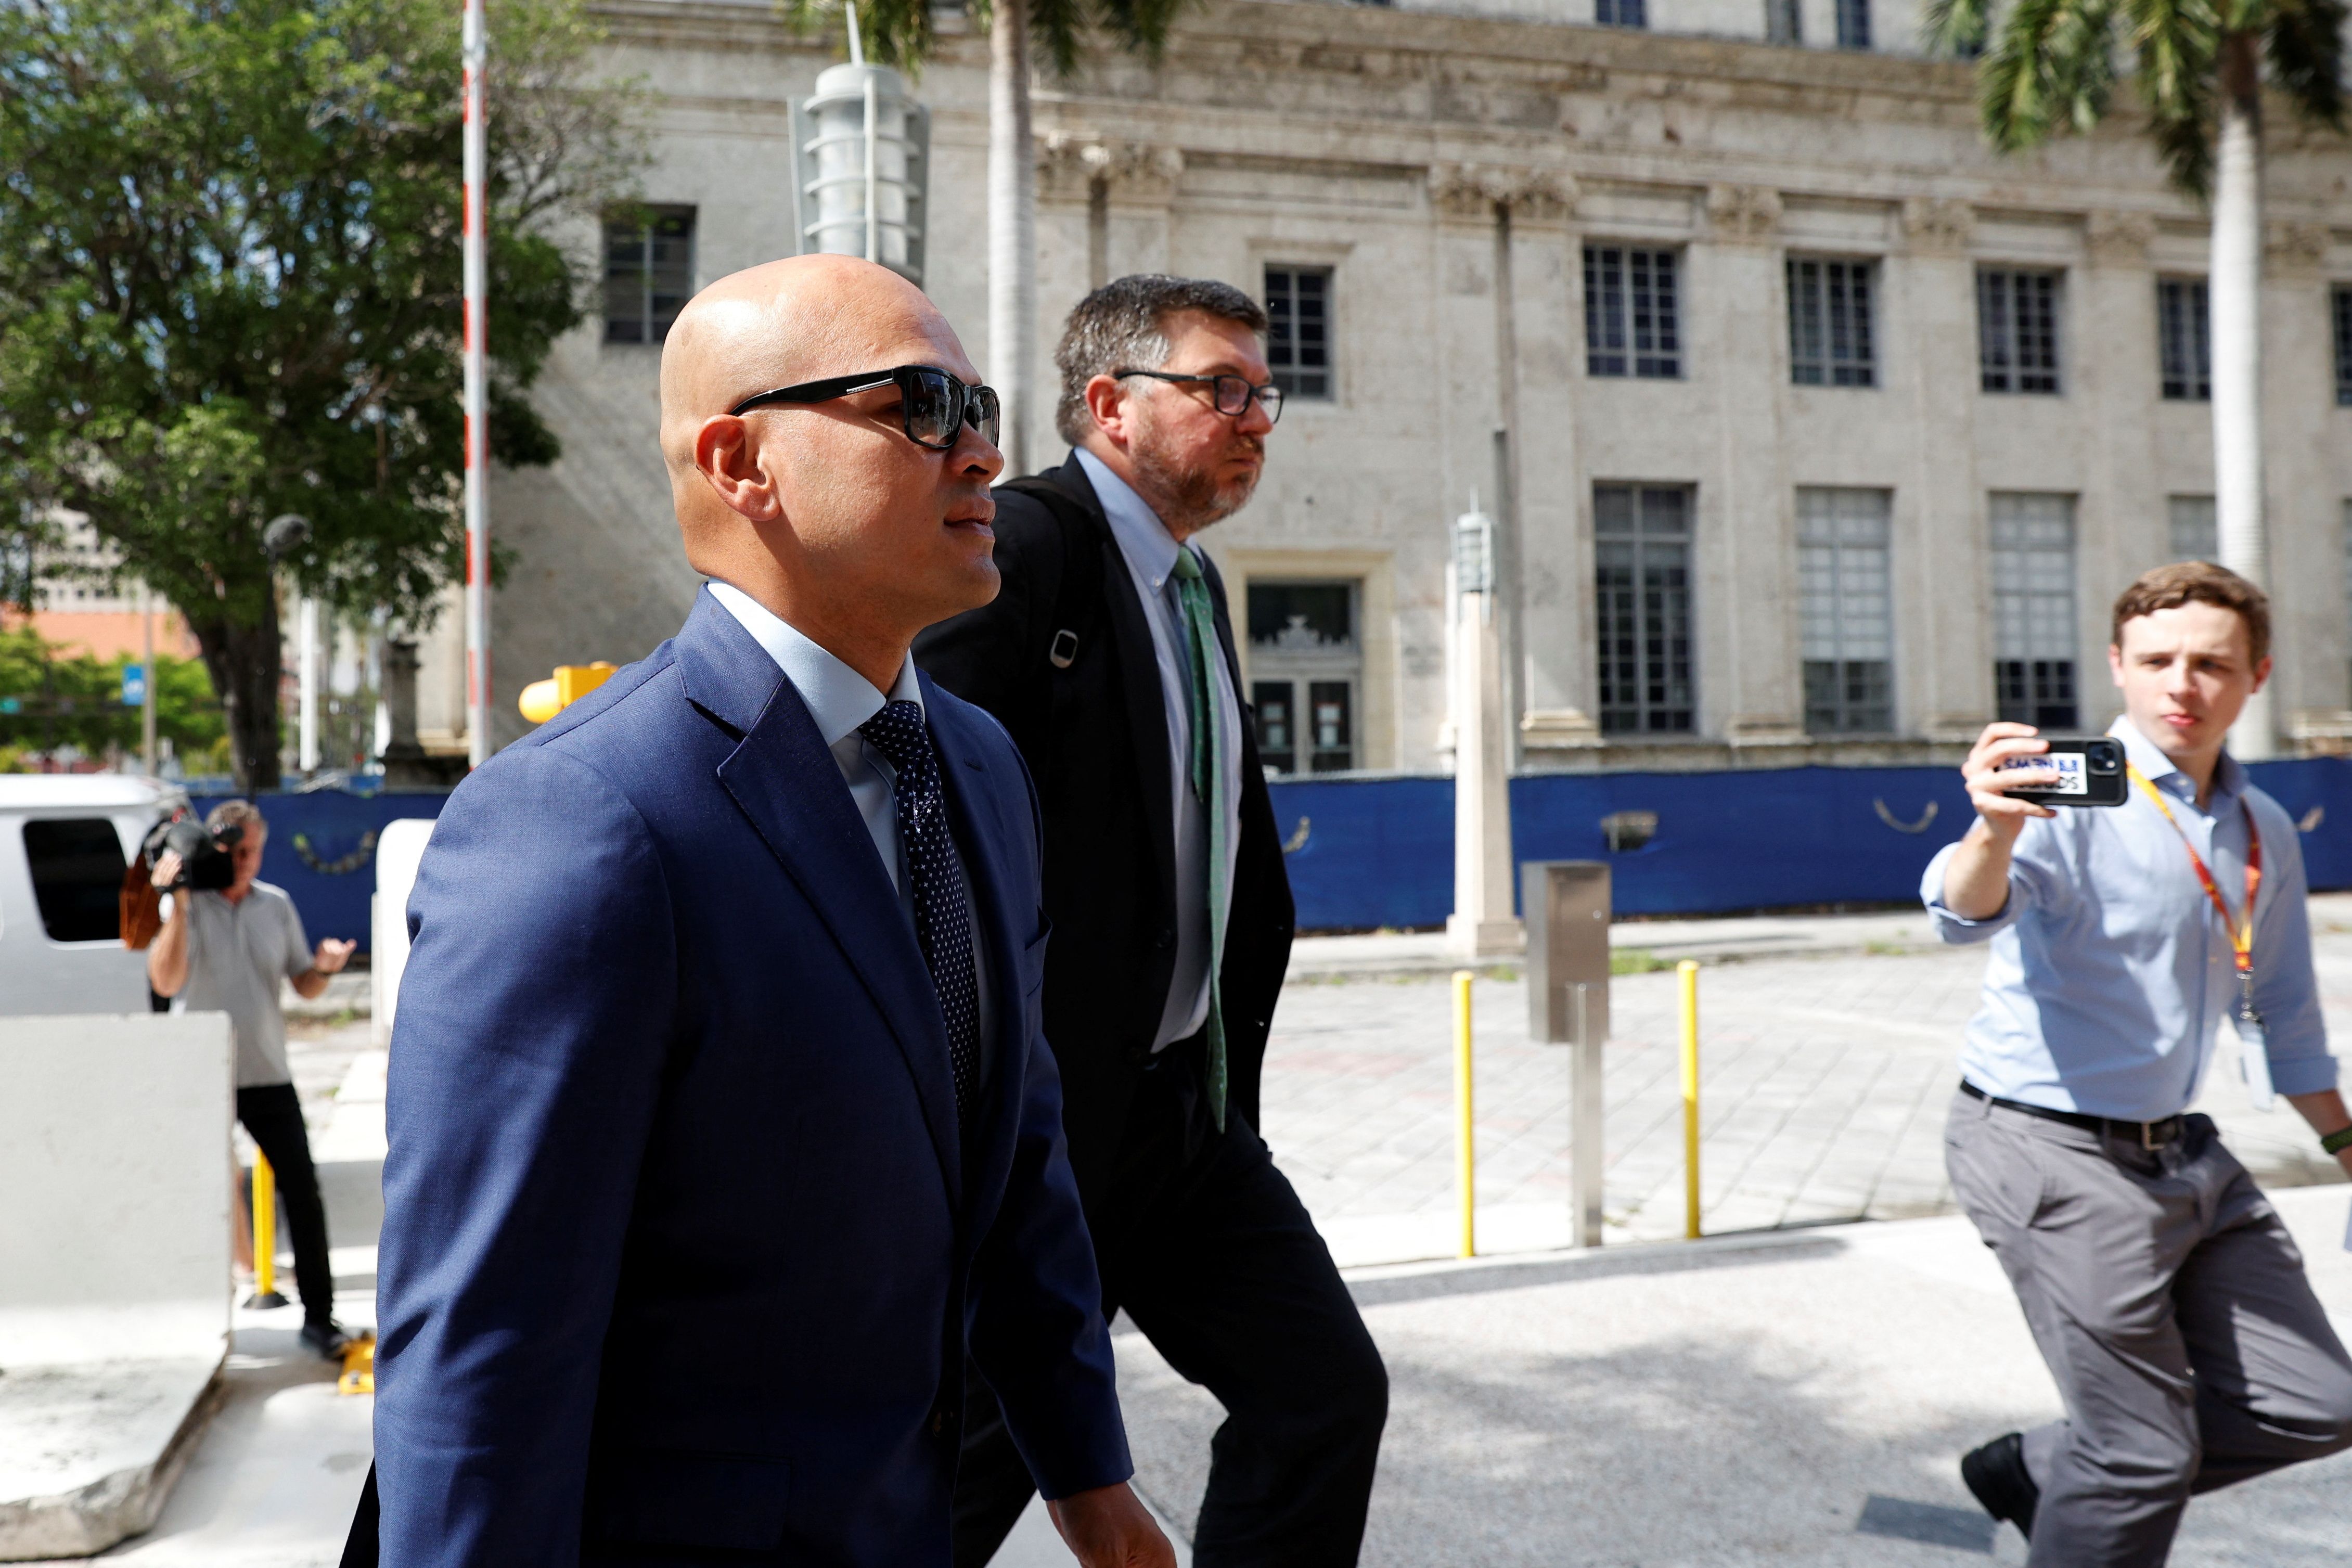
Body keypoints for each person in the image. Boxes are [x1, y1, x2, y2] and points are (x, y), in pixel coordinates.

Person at [354, 255, 1167, 1568]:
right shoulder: (581, 819)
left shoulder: (976, 768)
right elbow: (483, 1346)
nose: (978, 453)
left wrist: (1087, 1473)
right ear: (743, 462)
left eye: (981, 408)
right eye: (919, 404)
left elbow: (1011, 1156)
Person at [917, 275, 1387, 1568]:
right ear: (1110, 404)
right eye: (1218, 387)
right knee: (958, 1479)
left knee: (1321, 1395)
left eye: (1261, 392)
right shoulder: (1026, 549)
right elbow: (931, 832)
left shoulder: (1192, 585)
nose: (1254, 418)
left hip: (1182, 1119)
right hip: (1047, 1128)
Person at [1927, 561, 2352, 1564]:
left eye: (2212, 663)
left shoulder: (2263, 829)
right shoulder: (2063, 800)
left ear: (2257, 676)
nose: (2183, 685)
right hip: (2044, 1146)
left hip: (2183, 1155)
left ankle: (2044, 1469)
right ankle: (2097, 1470)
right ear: (2117, 667)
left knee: (2321, 1401)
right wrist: (1992, 828)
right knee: (2137, 1454)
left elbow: (2284, 1012)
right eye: (2157, 660)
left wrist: (2345, 1143)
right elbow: (1961, 905)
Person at [147, 798, 355, 1359]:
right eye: (234, 851)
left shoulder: (276, 904)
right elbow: (165, 983)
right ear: (216, 847)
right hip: (203, 1076)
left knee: (303, 1196)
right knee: (196, 1194)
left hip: (267, 1072)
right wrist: (180, 902)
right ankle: (190, 1322)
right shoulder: (189, 904)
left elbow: (304, 984)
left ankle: (320, 1317)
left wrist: (328, 968)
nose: (243, 860)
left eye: (253, 851)